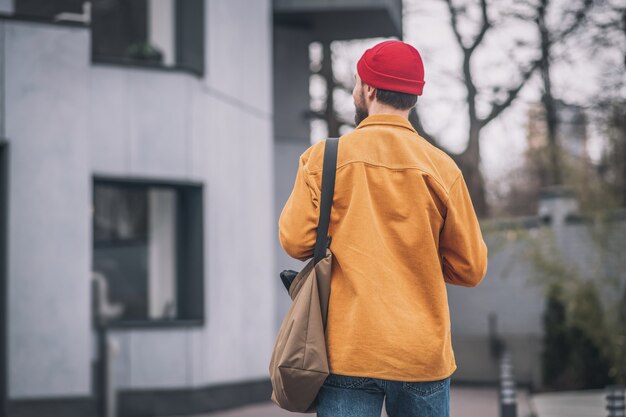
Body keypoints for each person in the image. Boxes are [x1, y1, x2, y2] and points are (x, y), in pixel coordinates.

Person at [278, 39, 488, 417]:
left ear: (370, 89)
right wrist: (418, 257)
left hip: (349, 350)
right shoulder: (442, 168)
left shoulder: (324, 159)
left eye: (358, 83)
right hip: (422, 355)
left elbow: (295, 242)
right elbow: (471, 268)